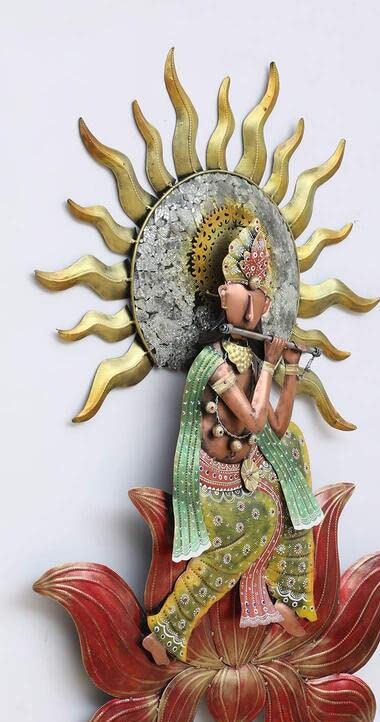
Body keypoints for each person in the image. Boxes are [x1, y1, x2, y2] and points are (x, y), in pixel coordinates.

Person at [143, 219, 323, 665]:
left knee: (293, 451)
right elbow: (254, 421)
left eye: (260, 295)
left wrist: (291, 370)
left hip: (246, 468)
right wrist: (270, 366)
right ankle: (166, 631)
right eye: (245, 291)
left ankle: (288, 595)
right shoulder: (213, 363)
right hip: (213, 485)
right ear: (225, 295)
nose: (252, 304)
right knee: (257, 524)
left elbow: (277, 428)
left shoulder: (253, 358)